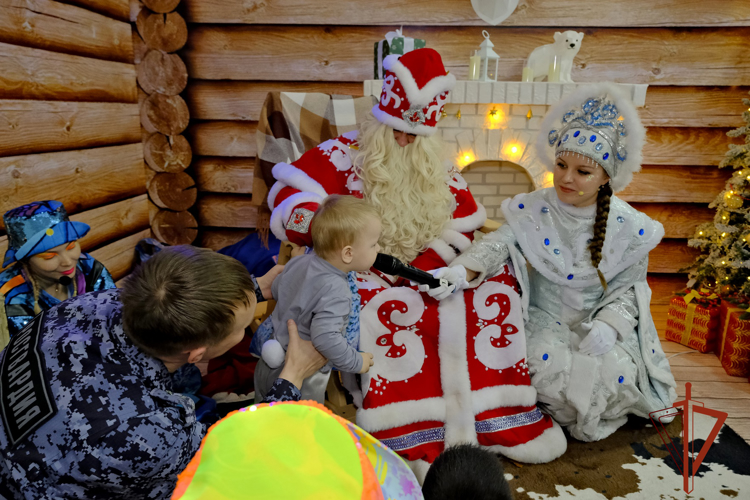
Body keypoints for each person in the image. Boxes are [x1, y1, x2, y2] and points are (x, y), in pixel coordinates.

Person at [267, 47, 566, 478]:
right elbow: (289, 202)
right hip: (354, 270)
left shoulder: (437, 169)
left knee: (492, 289)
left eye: (415, 136)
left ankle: (497, 424)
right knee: (384, 314)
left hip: (421, 271)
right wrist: (339, 234)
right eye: (397, 132)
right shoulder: (340, 155)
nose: (406, 142)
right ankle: (407, 440)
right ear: (380, 121)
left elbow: (463, 227)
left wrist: (430, 270)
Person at [0, 246, 327, 499]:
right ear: (197, 353)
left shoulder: (82, 308)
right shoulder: (148, 433)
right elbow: (238, 454)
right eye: (241, 328)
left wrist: (253, 288)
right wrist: (292, 377)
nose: (245, 331)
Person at [450, 83, 678, 442]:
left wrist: (609, 326)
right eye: (560, 165)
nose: (566, 178)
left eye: (583, 172)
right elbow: (499, 243)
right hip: (544, 319)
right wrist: (461, 270)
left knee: (614, 372)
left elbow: (630, 290)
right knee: (542, 364)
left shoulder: (630, 228)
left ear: (605, 177)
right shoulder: (535, 207)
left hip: (595, 324)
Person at [254, 195, 378, 403]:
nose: (378, 249)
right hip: (302, 375)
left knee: (260, 418)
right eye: (374, 244)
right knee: (301, 427)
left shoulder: (299, 262)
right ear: (348, 253)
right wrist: (356, 361)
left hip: (267, 362)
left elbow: (277, 288)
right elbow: (325, 337)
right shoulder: (338, 290)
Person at [0, 201, 115, 348]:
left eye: (71, 246)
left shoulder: (89, 267)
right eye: (49, 256)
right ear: (26, 260)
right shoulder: (10, 295)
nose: (67, 262)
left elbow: (114, 316)